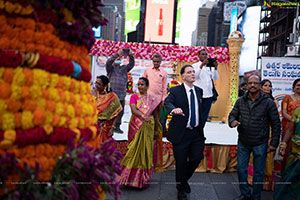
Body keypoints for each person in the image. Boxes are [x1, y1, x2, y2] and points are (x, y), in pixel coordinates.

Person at [228, 75, 281, 200]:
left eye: (255, 83)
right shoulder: (240, 101)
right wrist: (232, 122)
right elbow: (232, 115)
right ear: (246, 85)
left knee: (258, 172)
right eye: (250, 83)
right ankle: (245, 194)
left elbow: (276, 124)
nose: (252, 85)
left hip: (260, 142)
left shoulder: (268, 102)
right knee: (241, 169)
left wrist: (274, 143)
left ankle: (256, 196)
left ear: (259, 86)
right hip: (243, 141)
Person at [165, 65, 205, 200]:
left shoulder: (199, 91)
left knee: (197, 158)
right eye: (189, 72)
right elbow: (168, 102)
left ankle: (183, 180)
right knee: (181, 163)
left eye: (193, 72)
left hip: (196, 133)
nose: (193, 74)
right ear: (183, 76)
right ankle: (181, 189)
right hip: (181, 134)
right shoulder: (176, 90)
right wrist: (173, 109)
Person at [118, 77, 161, 188]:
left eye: (142, 84)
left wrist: (156, 130)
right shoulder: (134, 96)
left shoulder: (153, 99)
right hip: (136, 125)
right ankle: (127, 177)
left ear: (147, 86)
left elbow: (156, 116)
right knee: (132, 149)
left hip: (148, 127)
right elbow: (133, 110)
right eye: (139, 84)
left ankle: (142, 179)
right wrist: (143, 116)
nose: (140, 86)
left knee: (146, 151)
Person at [247, 79, 279, 191]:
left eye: (269, 86)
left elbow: (274, 121)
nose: (267, 88)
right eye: (265, 85)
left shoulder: (273, 102)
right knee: (254, 156)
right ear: (261, 87)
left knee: (267, 157)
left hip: (267, 132)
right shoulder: (254, 99)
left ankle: (266, 183)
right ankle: (251, 180)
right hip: (255, 133)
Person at [106, 49, 135, 133]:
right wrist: (117, 54)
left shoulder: (124, 69)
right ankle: (109, 126)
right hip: (112, 95)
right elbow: (108, 62)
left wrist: (130, 55)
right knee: (111, 111)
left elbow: (132, 64)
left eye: (119, 59)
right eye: (116, 59)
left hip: (121, 95)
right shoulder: (110, 69)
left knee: (120, 112)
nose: (118, 61)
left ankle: (117, 127)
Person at [273, 107, 300, 200]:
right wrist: (283, 144)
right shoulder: (297, 111)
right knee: (289, 180)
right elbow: (290, 130)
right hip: (296, 153)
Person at [192, 49, 219, 127]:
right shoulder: (195, 65)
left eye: (206, 54)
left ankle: (200, 131)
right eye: (203, 54)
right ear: (199, 56)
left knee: (204, 115)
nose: (204, 56)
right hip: (198, 95)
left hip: (209, 95)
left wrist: (216, 68)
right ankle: (195, 130)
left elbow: (215, 77)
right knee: (197, 114)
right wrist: (201, 66)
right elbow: (195, 77)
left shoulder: (210, 67)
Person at [95, 75, 123, 142]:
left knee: (105, 148)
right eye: (96, 83)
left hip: (106, 127)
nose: (96, 85)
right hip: (93, 125)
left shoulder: (112, 97)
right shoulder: (92, 94)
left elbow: (117, 112)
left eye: (99, 84)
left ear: (105, 86)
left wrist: (113, 127)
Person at [280, 78, 300, 172]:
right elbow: (284, 113)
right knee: (287, 149)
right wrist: (294, 121)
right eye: (298, 85)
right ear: (294, 87)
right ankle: (285, 172)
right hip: (288, 126)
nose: (299, 87)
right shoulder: (287, 98)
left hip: (299, 128)